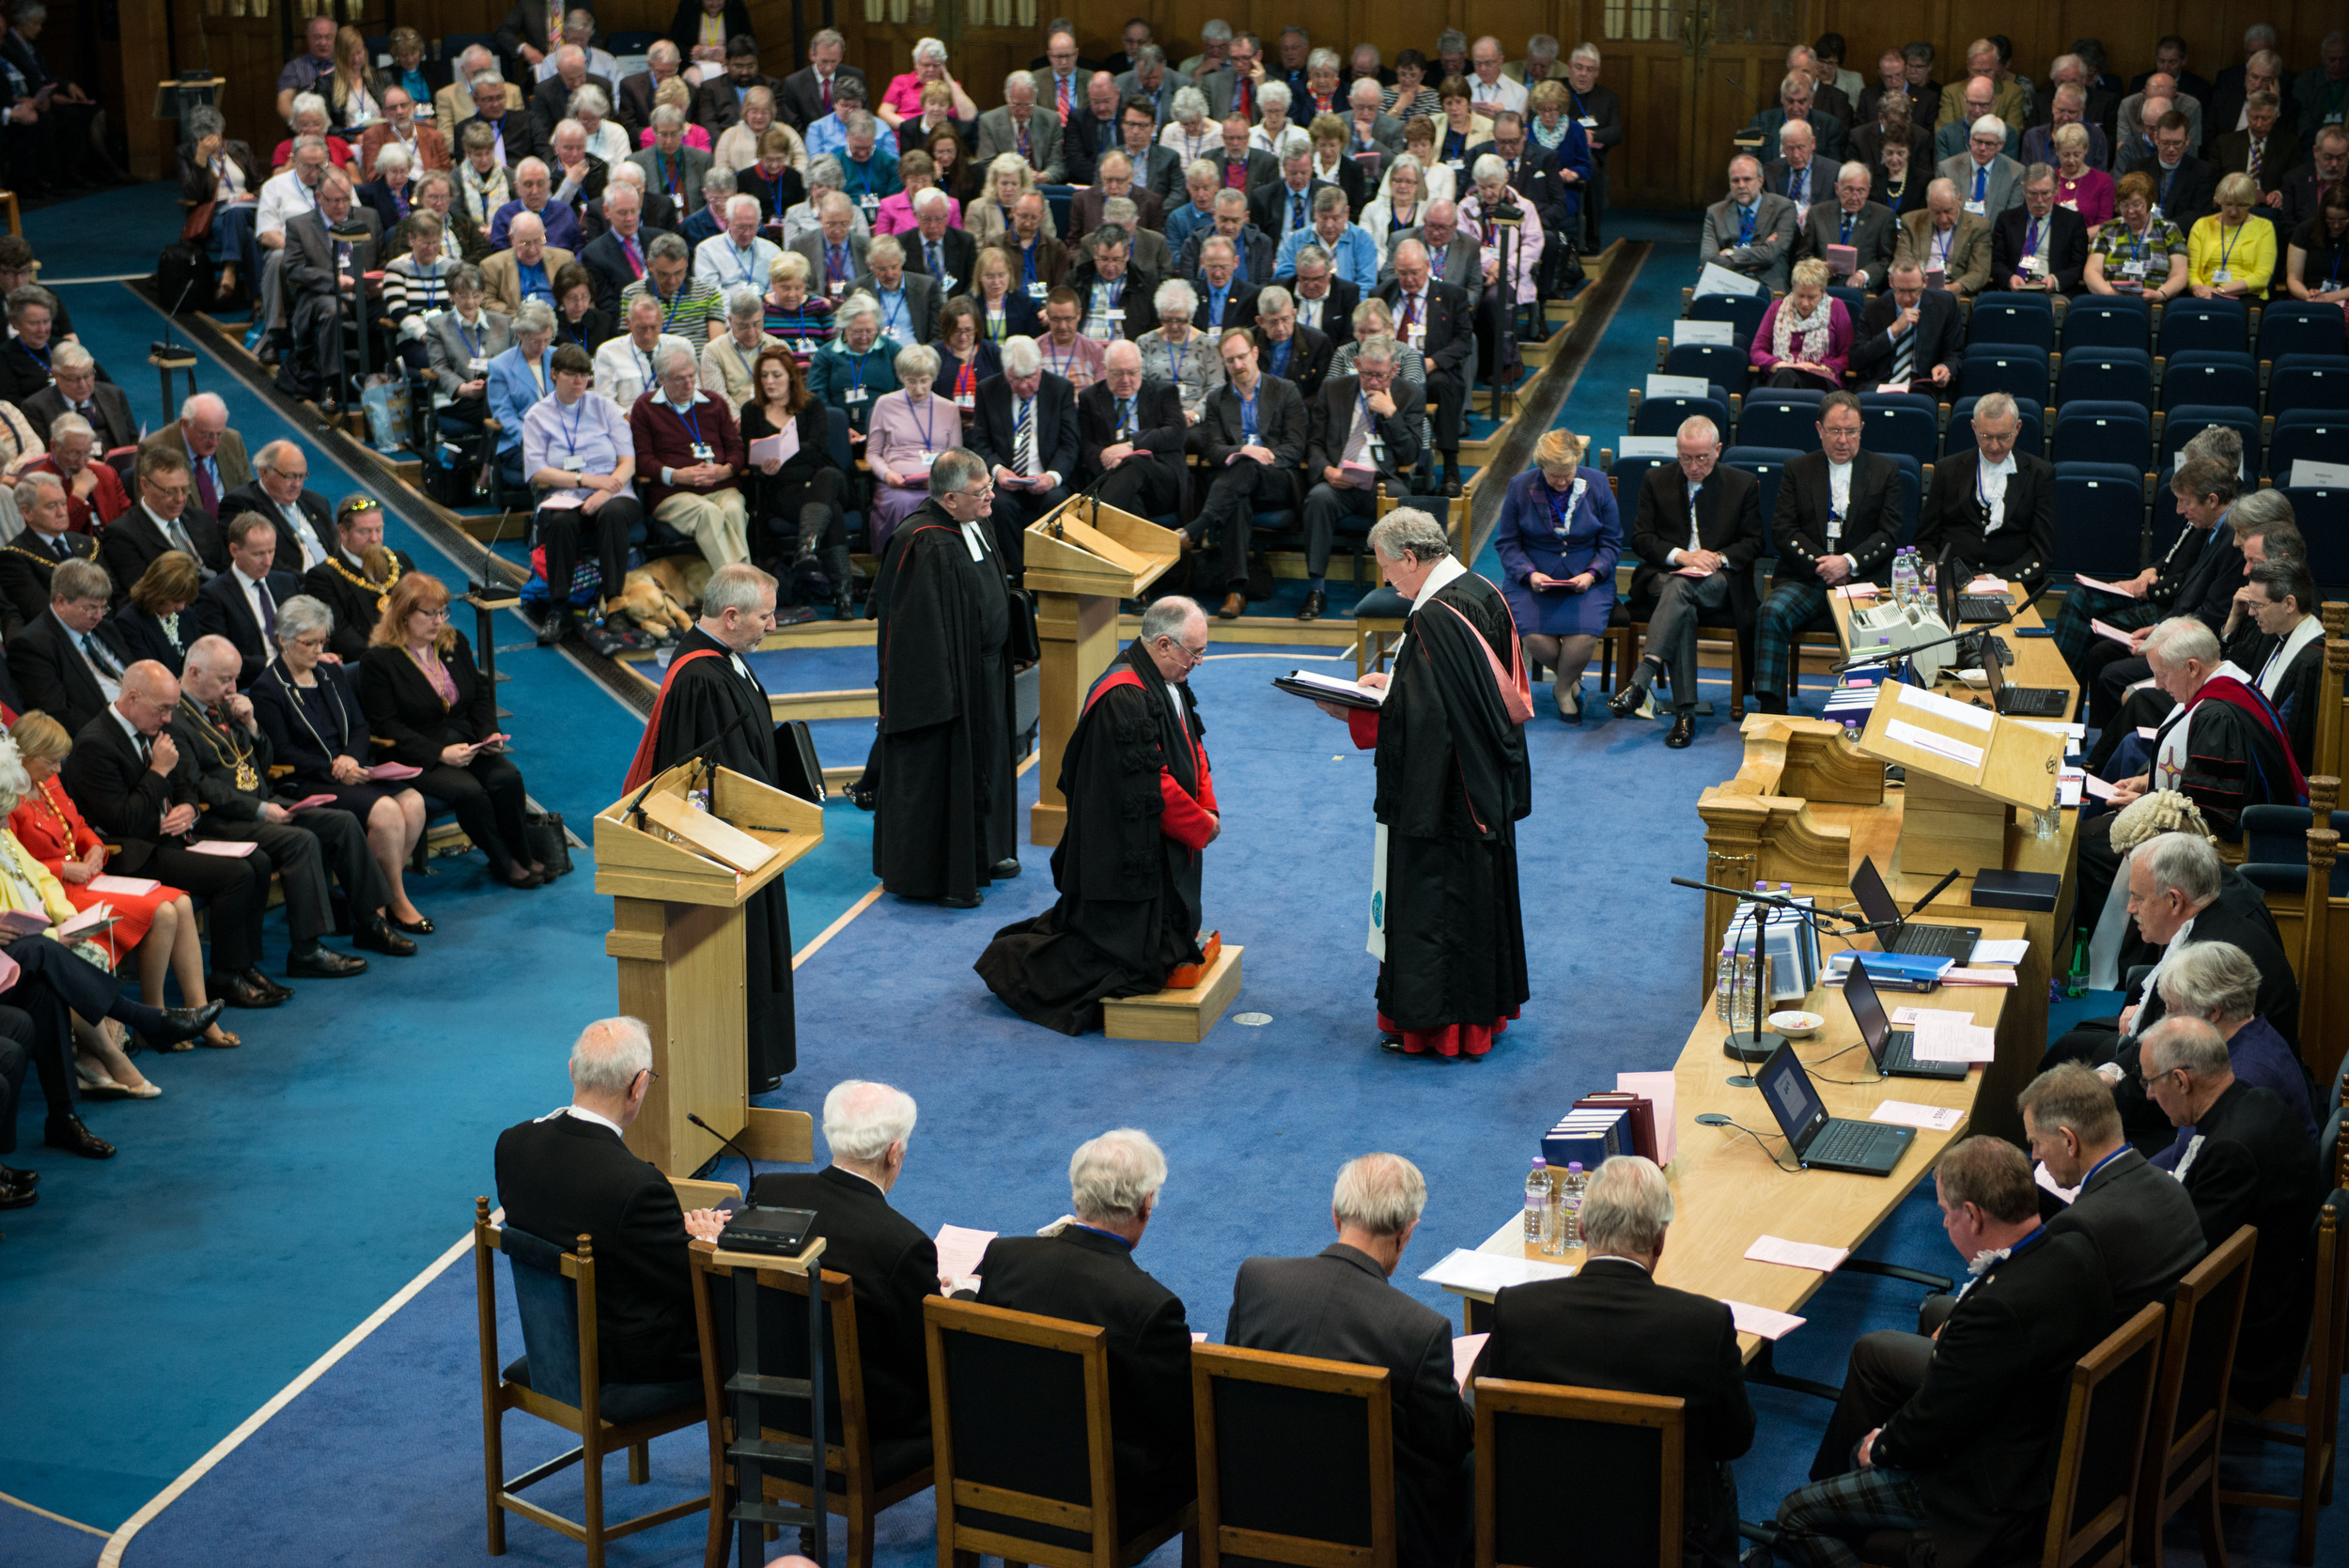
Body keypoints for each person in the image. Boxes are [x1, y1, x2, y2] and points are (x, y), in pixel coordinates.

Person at [1806, 1067, 2202, 1486]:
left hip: (2074, 1413)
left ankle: (1845, 1479)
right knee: (1939, 1312)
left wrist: (1963, 1325)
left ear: (2069, 1140)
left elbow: (2016, 1310)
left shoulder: (2083, 1230)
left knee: (1875, 1353)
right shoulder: (2165, 1186)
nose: (2034, 1156)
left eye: (2036, 1142)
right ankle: (1911, 1447)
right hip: (2139, 1379)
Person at [1776, 1136, 2115, 1568]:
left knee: (1794, 1513)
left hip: (1980, 1495)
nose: (1941, 1226)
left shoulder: (1994, 1313)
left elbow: (1936, 1423)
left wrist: (1880, 1447)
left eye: (1945, 1213)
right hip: (2040, 1452)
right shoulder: (2076, 1247)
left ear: (1972, 1215)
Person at [1307, 508, 1528, 1055]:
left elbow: (1429, 722)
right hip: (1482, 783)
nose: (1385, 580)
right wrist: (1397, 680)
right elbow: (1465, 695)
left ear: (1410, 557)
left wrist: (1354, 710)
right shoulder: (1481, 589)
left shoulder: (1437, 614)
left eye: (1387, 567)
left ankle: (1440, 1028)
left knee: (1439, 907)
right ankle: (1482, 1017)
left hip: (1446, 799)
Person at [1469, 1155, 1752, 1563]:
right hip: (1661, 1545)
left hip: (1538, 1536)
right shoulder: (1705, 1325)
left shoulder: (1518, 1310)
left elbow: (1493, 1430)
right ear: (1659, 1240)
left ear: (1582, 1227)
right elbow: (1735, 1440)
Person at [977, 598, 1217, 1033]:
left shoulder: (1170, 676)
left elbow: (1192, 744)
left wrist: (1208, 805)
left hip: (1170, 839)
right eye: (1193, 653)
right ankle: (1010, 965)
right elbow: (1149, 785)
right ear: (1163, 644)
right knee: (1130, 966)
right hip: (1126, 861)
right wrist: (1201, 825)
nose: (1196, 663)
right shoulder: (1123, 698)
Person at [1221, 1153, 1472, 1565]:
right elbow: (1450, 1443)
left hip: (1255, 1505)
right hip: (1366, 1532)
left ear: (1336, 1217)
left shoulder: (1256, 1280)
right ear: (1406, 1234)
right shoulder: (1418, 1329)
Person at [970, 1129, 1196, 1529]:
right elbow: (1179, 1424)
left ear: (1077, 1194)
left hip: (999, 1467)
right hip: (1100, 1497)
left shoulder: (1003, 1257)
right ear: (1146, 1205)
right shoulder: (1150, 1307)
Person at [495, 1017, 733, 1385]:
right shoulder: (637, 1186)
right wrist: (704, 1239)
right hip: (626, 1363)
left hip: (553, 1345)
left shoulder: (512, 1145)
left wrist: (666, 1233)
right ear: (637, 1086)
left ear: (573, 1071)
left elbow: (586, 1222)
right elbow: (693, 1282)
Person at [2046, 828, 2303, 1134]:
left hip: (2217, 1117)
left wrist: (2094, 1105)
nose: (2130, 908)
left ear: (2174, 901)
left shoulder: (2207, 961)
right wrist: (2112, 1073)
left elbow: (2168, 1088)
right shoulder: (2202, 927)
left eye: (2138, 898)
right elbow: (2154, 1035)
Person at [8, 711, 236, 1056]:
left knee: (182, 902)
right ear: (24, 754)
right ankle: (154, 1017)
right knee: (162, 911)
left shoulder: (47, 782)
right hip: (55, 893)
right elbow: (13, 864)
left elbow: (80, 824)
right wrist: (63, 868)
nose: (57, 770)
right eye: (50, 761)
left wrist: (95, 847)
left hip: (88, 878)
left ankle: (197, 1013)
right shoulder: (8, 798)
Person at [2139, 1015, 2326, 1406]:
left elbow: (2190, 1263)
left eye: (2150, 1082)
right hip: (2270, 1301)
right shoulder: (2256, 1099)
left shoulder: (2230, 1151)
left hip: (2248, 1345)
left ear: (2180, 1080)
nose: (2149, 1097)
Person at [746, 1080, 939, 1444]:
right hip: (860, 1427)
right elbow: (926, 1358)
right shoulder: (902, 1244)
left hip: (767, 1401)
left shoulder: (769, 1192)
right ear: (893, 1153)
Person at [869, 450, 1021, 907]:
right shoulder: (922, 541)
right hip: (947, 683)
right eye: (981, 492)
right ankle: (944, 876)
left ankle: (988, 852)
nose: (991, 496)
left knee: (991, 756)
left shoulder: (976, 522)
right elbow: (916, 633)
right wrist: (948, 690)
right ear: (950, 498)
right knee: (950, 768)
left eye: (990, 486)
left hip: (988, 671)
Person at [358, 573, 543, 892]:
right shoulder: (379, 661)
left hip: (466, 742)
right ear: (404, 614)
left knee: (507, 778)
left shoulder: (453, 641)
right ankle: (502, 860)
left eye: (443, 612)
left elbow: (480, 696)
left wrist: (489, 734)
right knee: (470, 792)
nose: (438, 621)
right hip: (415, 752)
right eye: (429, 614)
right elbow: (386, 726)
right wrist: (439, 754)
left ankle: (523, 854)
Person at [1610, 416, 1765, 748]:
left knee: (1678, 593)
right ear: (1677, 452)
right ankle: (1683, 714)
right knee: (1678, 592)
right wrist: (1682, 556)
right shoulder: (1656, 480)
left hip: (1717, 581)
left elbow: (1753, 542)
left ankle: (1645, 682)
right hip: (1663, 575)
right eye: (1685, 457)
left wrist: (1717, 557)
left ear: (1718, 450)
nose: (1693, 466)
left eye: (1702, 458)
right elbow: (1641, 539)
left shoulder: (1742, 483)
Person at [2049, 456, 2242, 715]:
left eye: (2185, 502)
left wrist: (2160, 635)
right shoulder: (2213, 525)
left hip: (2191, 639)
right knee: (2098, 651)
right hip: (2173, 619)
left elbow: (2212, 613)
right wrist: (2157, 628)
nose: (2178, 510)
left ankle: (2096, 737)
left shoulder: (2232, 537)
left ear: (2212, 500)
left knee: (2110, 673)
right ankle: (2091, 739)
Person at [1752, 394, 1900, 715]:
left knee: (1871, 626)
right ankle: (1770, 710)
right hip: (1807, 578)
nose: (1843, 440)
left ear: (1862, 429)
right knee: (1771, 611)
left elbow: (1888, 534)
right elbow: (1784, 530)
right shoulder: (1798, 469)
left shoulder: (1884, 470)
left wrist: (1848, 562)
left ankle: (1864, 712)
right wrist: (1825, 565)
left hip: (1861, 581)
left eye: (1851, 431)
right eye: (1834, 431)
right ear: (1819, 430)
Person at [2145, 941, 2319, 1168]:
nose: (2166, 1022)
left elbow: (2199, 1159)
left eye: (2173, 1011)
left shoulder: (2241, 1079)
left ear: (2213, 1011)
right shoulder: (2252, 1031)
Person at [1491, 427, 1617, 723]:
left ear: (1578, 462)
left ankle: (1562, 689)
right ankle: (1570, 682)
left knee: (1584, 636)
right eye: (1553, 476)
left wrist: (1592, 575)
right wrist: (1529, 574)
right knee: (1534, 638)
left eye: (1567, 474)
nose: (1561, 483)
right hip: (1534, 578)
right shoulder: (1519, 487)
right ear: (1541, 467)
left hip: (1586, 577)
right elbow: (1507, 543)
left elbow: (1611, 542)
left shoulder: (1597, 483)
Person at [520, 344, 640, 644]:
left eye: (584, 376)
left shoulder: (605, 408)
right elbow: (537, 471)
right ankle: (558, 608)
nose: (579, 383)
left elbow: (628, 461)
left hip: (614, 493)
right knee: (560, 521)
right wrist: (586, 481)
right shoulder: (538, 415)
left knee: (612, 516)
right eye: (571, 375)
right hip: (566, 495)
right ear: (554, 374)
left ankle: (615, 606)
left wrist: (605, 489)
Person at [1190, 327, 1308, 619]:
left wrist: (1260, 458)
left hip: (1276, 479)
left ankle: (1201, 524)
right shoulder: (1217, 399)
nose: (1238, 365)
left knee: (1245, 470)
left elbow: (1295, 447)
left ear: (1255, 353)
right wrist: (1245, 450)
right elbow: (1213, 450)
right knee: (1237, 497)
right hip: (1236, 486)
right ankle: (1236, 591)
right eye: (1230, 360)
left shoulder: (1285, 390)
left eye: (1242, 357)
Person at [739, 345, 848, 616]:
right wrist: (765, 467)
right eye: (764, 376)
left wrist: (787, 458)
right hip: (780, 490)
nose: (769, 382)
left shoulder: (812, 405)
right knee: (831, 510)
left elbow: (819, 449)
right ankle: (842, 596)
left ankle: (808, 548)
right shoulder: (751, 411)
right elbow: (749, 456)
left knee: (829, 475)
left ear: (790, 376)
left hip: (818, 480)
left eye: (776, 375)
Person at [1915, 391, 2054, 598]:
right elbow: (1925, 540)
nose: (1995, 446)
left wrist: (1995, 579)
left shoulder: (2039, 474)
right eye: (1986, 436)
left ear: (2018, 428)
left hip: (2012, 585)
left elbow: (2042, 551)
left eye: (2003, 436)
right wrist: (1937, 570)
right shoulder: (1947, 469)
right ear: (1974, 427)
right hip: (1953, 584)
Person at [630, 341, 752, 570]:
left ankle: (734, 585)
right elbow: (642, 460)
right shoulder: (645, 407)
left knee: (734, 509)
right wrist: (677, 475)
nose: (689, 384)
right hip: (674, 494)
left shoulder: (714, 403)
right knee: (708, 513)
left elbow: (736, 449)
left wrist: (725, 469)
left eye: (692, 376)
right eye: (680, 378)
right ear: (662, 379)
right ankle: (741, 583)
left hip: (722, 486)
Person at [969, 336, 1077, 586]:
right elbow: (981, 442)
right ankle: (1021, 574)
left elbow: (1070, 444)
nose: (1026, 386)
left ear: (1040, 369)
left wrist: (1052, 476)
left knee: (1056, 501)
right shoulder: (988, 389)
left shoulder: (1059, 388)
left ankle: (1049, 572)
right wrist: (997, 470)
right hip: (1008, 479)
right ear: (1006, 374)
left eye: (1030, 377)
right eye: (1017, 379)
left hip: (1048, 476)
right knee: (998, 504)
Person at [8, 558, 132, 738]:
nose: (98, 616)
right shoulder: (32, 645)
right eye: (89, 608)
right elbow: (59, 713)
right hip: (104, 735)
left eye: (102, 607)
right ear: (61, 601)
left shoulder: (105, 628)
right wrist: (120, 728)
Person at [193, 513, 302, 689]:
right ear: (234, 550)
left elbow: (306, 629)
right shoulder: (213, 595)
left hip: (299, 672)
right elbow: (219, 657)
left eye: (271, 551)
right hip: (257, 683)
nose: (267, 561)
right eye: (258, 554)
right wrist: (274, 665)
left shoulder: (286, 582)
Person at [303, 497, 413, 662]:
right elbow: (342, 637)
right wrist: (392, 660)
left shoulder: (399, 560)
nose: (375, 538)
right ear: (343, 532)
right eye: (365, 532)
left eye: (379, 530)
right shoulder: (324, 577)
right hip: (374, 664)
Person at [0, 473, 97, 633]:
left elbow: (113, 593)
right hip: (62, 637)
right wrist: (94, 614)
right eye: (51, 506)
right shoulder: (14, 556)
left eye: (63, 503)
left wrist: (101, 616)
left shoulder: (89, 543)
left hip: (106, 629)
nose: (61, 512)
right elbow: (42, 609)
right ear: (27, 512)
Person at [1850, 262, 1961, 394]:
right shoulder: (1873, 308)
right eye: (1901, 290)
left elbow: (1955, 353)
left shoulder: (1944, 305)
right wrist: (1893, 330)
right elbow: (1856, 359)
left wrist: (1946, 367)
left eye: (1913, 290)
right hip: (1881, 384)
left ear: (1924, 282)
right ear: (1891, 282)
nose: (1907, 298)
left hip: (1924, 384)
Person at [1748, 256, 1852, 390]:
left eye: (1811, 297)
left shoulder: (1836, 307)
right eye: (1800, 295)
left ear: (1822, 292)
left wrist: (1825, 368)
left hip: (1821, 378)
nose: (1805, 303)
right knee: (1786, 375)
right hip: (1783, 375)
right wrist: (1780, 364)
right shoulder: (1777, 307)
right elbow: (1757, 351)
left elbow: (1848, 355)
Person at [2084, 172, 2190, 301]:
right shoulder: (2109, 229)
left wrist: (2161, 294)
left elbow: (2180, 274)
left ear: (2149, 203)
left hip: (2154, 302)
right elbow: (2092, 271)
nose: (2130, 211)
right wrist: (2110, 294)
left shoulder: (2168, 230)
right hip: (2112, 301)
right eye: (2124, 205)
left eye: (2136, 204)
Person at [1701, 155, 1800, 291]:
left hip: (1766, 283)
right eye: (1735, 181)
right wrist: (1754, 261)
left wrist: (1730, 253)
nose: (1741, 185)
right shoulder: (1715, 212)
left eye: (1747, 179)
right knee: (1702, 303)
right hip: (1724, 280)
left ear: (1760, 181)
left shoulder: (1783, 208)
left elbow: (1771, 255)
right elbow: (1708, 259)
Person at [1990, 163, 2090, 293]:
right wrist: (2009, 278)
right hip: (2013, 292)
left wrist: (2055, 280)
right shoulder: (2006, 219)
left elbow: (2078, 266)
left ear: (2056, 189)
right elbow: (1996, 261)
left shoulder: (2073, 222)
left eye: (2045, 193)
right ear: (2023, 189)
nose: (2039, 200)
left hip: (2054, 293)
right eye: (2033, 193)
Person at [1892, 178, 1992, 295]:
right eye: (1936, 212)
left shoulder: (1978, 226)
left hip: (1956, 293)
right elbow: (1903, 260)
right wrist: (1916, 285)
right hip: (1917, 290)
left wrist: (1951, 289)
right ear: (1928, 205)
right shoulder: (1911, 222)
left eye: (1948, 211)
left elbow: (1979, 272)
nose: (1943, 219)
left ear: (1959, 200)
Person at [2186, 172, 2276, 301]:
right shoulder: (2202, 225)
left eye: (2241, 205)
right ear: (2219, 201)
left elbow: (2262, 276)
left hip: (2246, 295)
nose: (2233, 212)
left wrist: (2220, 291)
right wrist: (2199, 289)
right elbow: (2192, 271)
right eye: (2228, 204)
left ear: (2250, 203)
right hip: (2205, 294)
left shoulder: (2264, 227)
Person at [2283, 181, 2349, 306]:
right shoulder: (2305, 230)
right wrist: (2307, 295)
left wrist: (2329, 297)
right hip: (2310, 296)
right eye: (2331, 219)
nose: (2336, 225)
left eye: (2343, 219)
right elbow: (2293, 278)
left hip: (2345, 298)